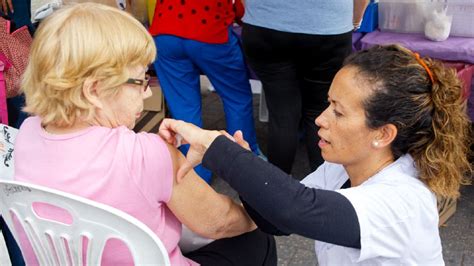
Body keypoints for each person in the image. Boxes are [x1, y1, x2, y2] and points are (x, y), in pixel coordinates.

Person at [159, 44, 472, 265]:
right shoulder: (343, 168)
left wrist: (216, 148)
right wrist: (243, 164)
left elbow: (296, 209)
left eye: (338, 112)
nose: (321, 119)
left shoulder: (404, 202)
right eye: (328, 104)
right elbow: (276, 221)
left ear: (383, 134)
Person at [13, 3, 276, 265]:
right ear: (94, 90)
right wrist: (255, 205)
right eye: (141, 80)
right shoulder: (146, 154)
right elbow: (220, 223)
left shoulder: (27, 133)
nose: (148, 92)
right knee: (258, 239)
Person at [240, 0, 369, 173]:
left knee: (282, 114)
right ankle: (324, 189)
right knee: (319, 111)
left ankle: (273, 189)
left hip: (265, 25)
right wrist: (354, 19)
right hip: (328, 26)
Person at [149, 0, 260, 183]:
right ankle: (246, 166)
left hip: (166, 32)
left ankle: (195, 175)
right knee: (236, 99)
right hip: (210, 31)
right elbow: (240, 8)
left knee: (183, 108)